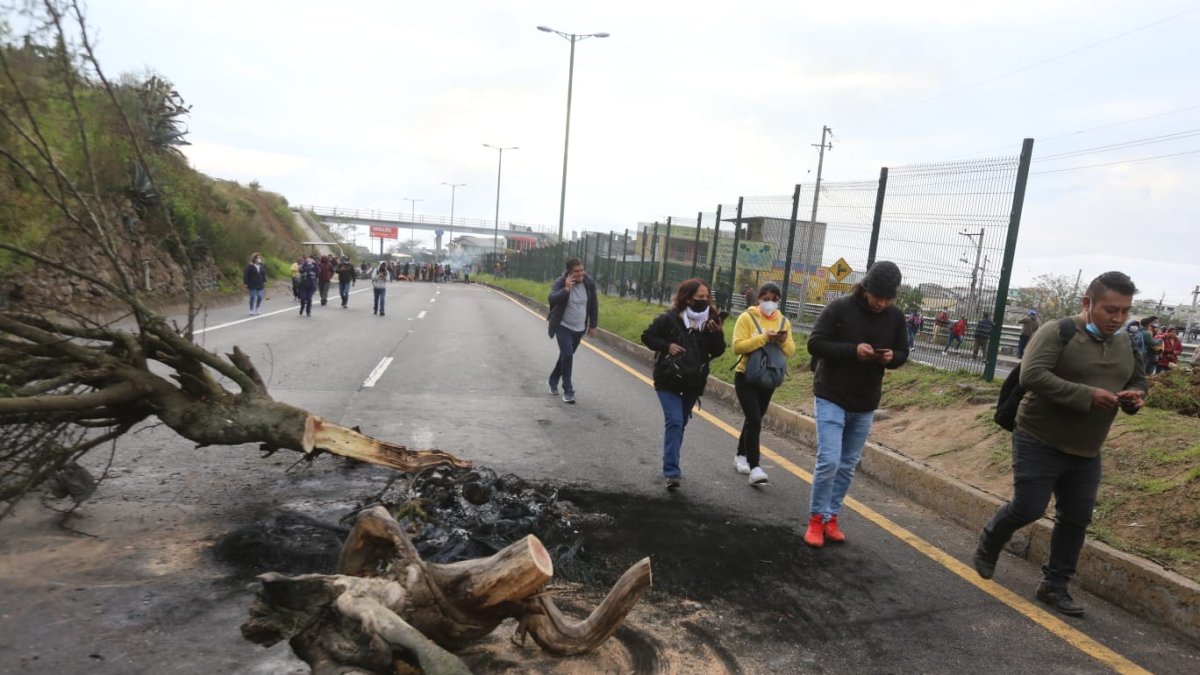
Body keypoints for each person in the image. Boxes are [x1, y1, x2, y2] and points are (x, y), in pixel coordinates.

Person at [973, 271, 1147, 617]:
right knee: (1029, 508)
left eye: (1125, 311)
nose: (1118, 318)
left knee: (1076, 518)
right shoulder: (1058, 331)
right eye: (1110, 310)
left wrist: (1135, 398)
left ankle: (1054, 585)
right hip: (1039, 437)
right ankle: (991, 539)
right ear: (1088, 303)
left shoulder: (1127, 342)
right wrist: (1087, 395)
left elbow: (1139, 382)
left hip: (1087, 448)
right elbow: (1032, 376)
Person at [805, 261, 908, 547]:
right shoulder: (839, 308)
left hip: (865, 401)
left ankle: (830, 517)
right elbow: (815, 344)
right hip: (831, 394)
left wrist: (892, 358)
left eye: (888, 299)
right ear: (865, 289)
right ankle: (815, 519)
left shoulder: (895, 317)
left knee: (848, 464)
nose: (882, 303)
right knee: (829, 461)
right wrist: (853, 351)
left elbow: (903, 352)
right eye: (878, 297)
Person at [641, 278, 727, 489]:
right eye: (699, 297)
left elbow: (717, 351)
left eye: (707, 297)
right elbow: (648, 336)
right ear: (688, 298)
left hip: (693, 382)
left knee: (681, 425)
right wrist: (667, 345)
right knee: (675, 421)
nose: (704, 301)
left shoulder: (711, 320)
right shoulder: (670, 319)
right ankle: (671, 471)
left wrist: (716, 334)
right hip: (667, 379)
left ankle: (672, 463)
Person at [732, 282, 795, 485]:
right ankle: (755, 467)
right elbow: (738, 346)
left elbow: (791, 351)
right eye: (766, 299)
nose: (770, 303)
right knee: (755, 420)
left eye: (774, 300)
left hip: (769, 377)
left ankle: (741, 454)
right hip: (746, 376)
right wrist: (763, 338)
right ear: (758, 299)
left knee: (754, 418)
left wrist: (781, 340)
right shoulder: (747, 318)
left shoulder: (783, 321)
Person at [546, 258, 598, 404]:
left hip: (579, 328)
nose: (581, 273)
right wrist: (566, 289)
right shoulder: (561, 282)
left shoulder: (588, 283)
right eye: (577, 271)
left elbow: (593, 304)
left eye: (582, 270)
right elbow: (551, 299)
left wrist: (593, 325)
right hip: (563, 326)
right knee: (567, 355)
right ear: (569, 272)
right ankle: (568, 390)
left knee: (565, 356)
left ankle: (553, 379)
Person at [243, 251, 267, 316]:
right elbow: (246, 275)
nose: (259, 259)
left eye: (260, 258)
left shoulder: (261, 266)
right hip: (252, 284)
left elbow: (263, 274)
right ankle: (251, 310)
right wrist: (246, 283)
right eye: (258, 258)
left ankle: (257, 308)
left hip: (260, 284)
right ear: (254, 258)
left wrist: (264, 281)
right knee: (252, 297)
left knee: (260, 296)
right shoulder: (250, 266)